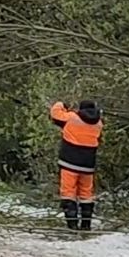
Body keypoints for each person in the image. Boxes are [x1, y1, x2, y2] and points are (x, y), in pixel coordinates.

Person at [50, 99, 102, 231]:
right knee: (86, 194)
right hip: (88, 165)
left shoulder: (72, 118)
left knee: (68, 193)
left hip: (70, 163)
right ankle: (86, 225)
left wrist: (61, 104)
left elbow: (55, 114)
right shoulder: (99, 123)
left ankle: (72, 225)